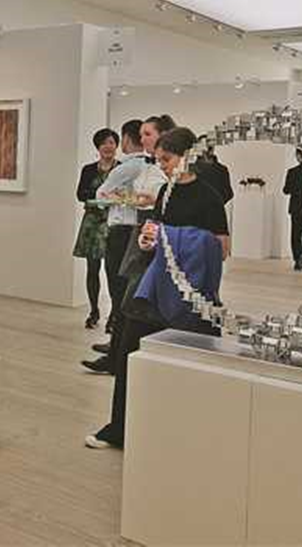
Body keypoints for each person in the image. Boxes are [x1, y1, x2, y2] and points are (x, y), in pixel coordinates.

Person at [85, 126, 229, 450]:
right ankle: (120, 428)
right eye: (159, 159)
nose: (161, 165)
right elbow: (158, 231)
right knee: (128, 355)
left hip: (189, 295)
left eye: (166, 159)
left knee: (179, 366)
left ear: (187, 157)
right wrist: (150, 239)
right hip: (155, 284)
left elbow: (221, 248)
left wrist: (170, 238)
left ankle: (172, 434)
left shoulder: (209, 197)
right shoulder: (166, 192)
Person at [82, 115, 173, 374]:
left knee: (125, 295)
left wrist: (128, 198)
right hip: (138, 231)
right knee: (125, 296)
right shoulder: (145, 166)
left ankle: (119, 355)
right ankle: (118, 352)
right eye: (141, 134)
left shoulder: (138, 167)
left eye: (147, 134)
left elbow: (104, 195)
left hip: (139, 232)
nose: (143, 139)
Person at [73, 128, 120, 329]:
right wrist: (102, 196)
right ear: (98, 147)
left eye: (111, 142)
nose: (108, 146)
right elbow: (80, 194)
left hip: (113, 222)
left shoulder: (122, 168)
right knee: (92, 269)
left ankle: (114, 315)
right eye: (104, 143)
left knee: (113, 271)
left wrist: (100, 196)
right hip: (92, 223)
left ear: (116, 145)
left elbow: (126, 194)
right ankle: (94, 311)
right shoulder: (89, 169)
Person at [194, 137, 233, 205]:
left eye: (210, 146)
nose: (207, 149)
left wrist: (216, 204)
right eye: (204, 146)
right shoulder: (191, 170)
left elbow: (228, 194)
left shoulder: (222, 170)